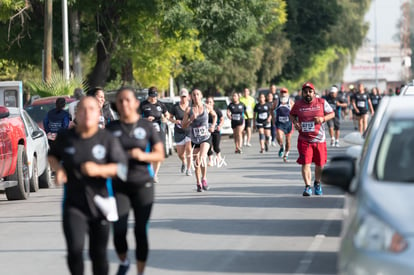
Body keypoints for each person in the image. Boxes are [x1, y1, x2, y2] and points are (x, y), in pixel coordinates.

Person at [48, 96, 128, 275]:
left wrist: (99, 170)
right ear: (76, 114)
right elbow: (52, 155)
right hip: (73, 205)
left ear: (98, 113)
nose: (87, 113)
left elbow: (122, 169)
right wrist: (58, 169)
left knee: (98, 254)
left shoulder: (106, 138)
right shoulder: (65, 137)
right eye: (82, 109)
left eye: (92, 109)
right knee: (75, 251)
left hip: (100, 204)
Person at [106, 87, 164, 275]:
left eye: (128, 100)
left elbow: (160, 154)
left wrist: (141, 155)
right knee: (119, 230)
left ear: (136, 103)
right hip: (119, 185)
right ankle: (124, 262)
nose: (124, 104)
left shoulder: (145, 126)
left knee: (140, 230)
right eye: (120, 101)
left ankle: (140, 271)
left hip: (142, 184)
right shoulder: (111, 128)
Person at [289, 82, 334, 196]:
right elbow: (291, 115)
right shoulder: (298, 104)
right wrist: (295, 122)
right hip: (304, 139)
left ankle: (317, 183)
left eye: (310, 91)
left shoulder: (322, 102)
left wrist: (322, 119)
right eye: (305, 92)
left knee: (320, 165)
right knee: (306, 163)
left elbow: (332, 114)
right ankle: (307, 186)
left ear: (314, 92)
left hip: (319, 139)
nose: (307, 94)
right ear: (302, 93)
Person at [182, 88, 217, 192]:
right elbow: (183, 125)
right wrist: (190, 120)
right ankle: (198, 183)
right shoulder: (188, 110)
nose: (196, 96)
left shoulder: (207, 107)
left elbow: (215, 116)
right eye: (194, 95)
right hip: (194, 139)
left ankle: (204, 178)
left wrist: (213, 126)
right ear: (191, 97)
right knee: (196, 162)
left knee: (202, 157)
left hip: (205, 137)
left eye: (198, 94)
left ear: (201, 96)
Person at [138, 86, 170, 182]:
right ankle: (149, 172)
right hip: (146, 130)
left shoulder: (161, 104)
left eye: (155, 96)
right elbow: (136, 117)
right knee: (149, 152)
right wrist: (145, 119)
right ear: (149, 95)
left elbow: (167, 114)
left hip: (158, 131)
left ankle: (154, 174)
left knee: (157, 152)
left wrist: (165, 118)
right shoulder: (143, 105)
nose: (153, 98)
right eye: (152, 96)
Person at [170, 88, 192, 176]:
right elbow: (170, 118)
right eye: (182, 97)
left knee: (189, 149)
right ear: (180, 97)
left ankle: (189, 169)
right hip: (179, 132)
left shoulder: (191, 106)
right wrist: (175, 121)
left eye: (185, 97)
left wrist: (190, 120)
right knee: (180, 154)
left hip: (189, 131)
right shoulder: (175, 107)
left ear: (188, 97)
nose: (183, 98)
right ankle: (184, 162)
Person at [274, 88, 295, 162]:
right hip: (279, 123)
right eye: (282, 92)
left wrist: (295, 121)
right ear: (280, 93)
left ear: (287, 93)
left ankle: (286, 154)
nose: (283, 94)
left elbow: (295, 112)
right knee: (279, 136)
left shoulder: (291, 102)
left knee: (288, 141)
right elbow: (271, 109)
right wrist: (273, 118)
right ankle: (281, 146)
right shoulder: (277, 101)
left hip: (288, 123)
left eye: (285, 92)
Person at [206, 96, 225, 167]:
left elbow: (222, 119)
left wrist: (220, 126)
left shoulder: (217, 110)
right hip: (207, 131)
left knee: (216, 145)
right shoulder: (204, 111)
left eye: (210, 102)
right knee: (208, 145)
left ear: (213, 103)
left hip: (216, 130)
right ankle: (210, 160)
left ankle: (218, 156)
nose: (209, 103)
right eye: (207, 102)